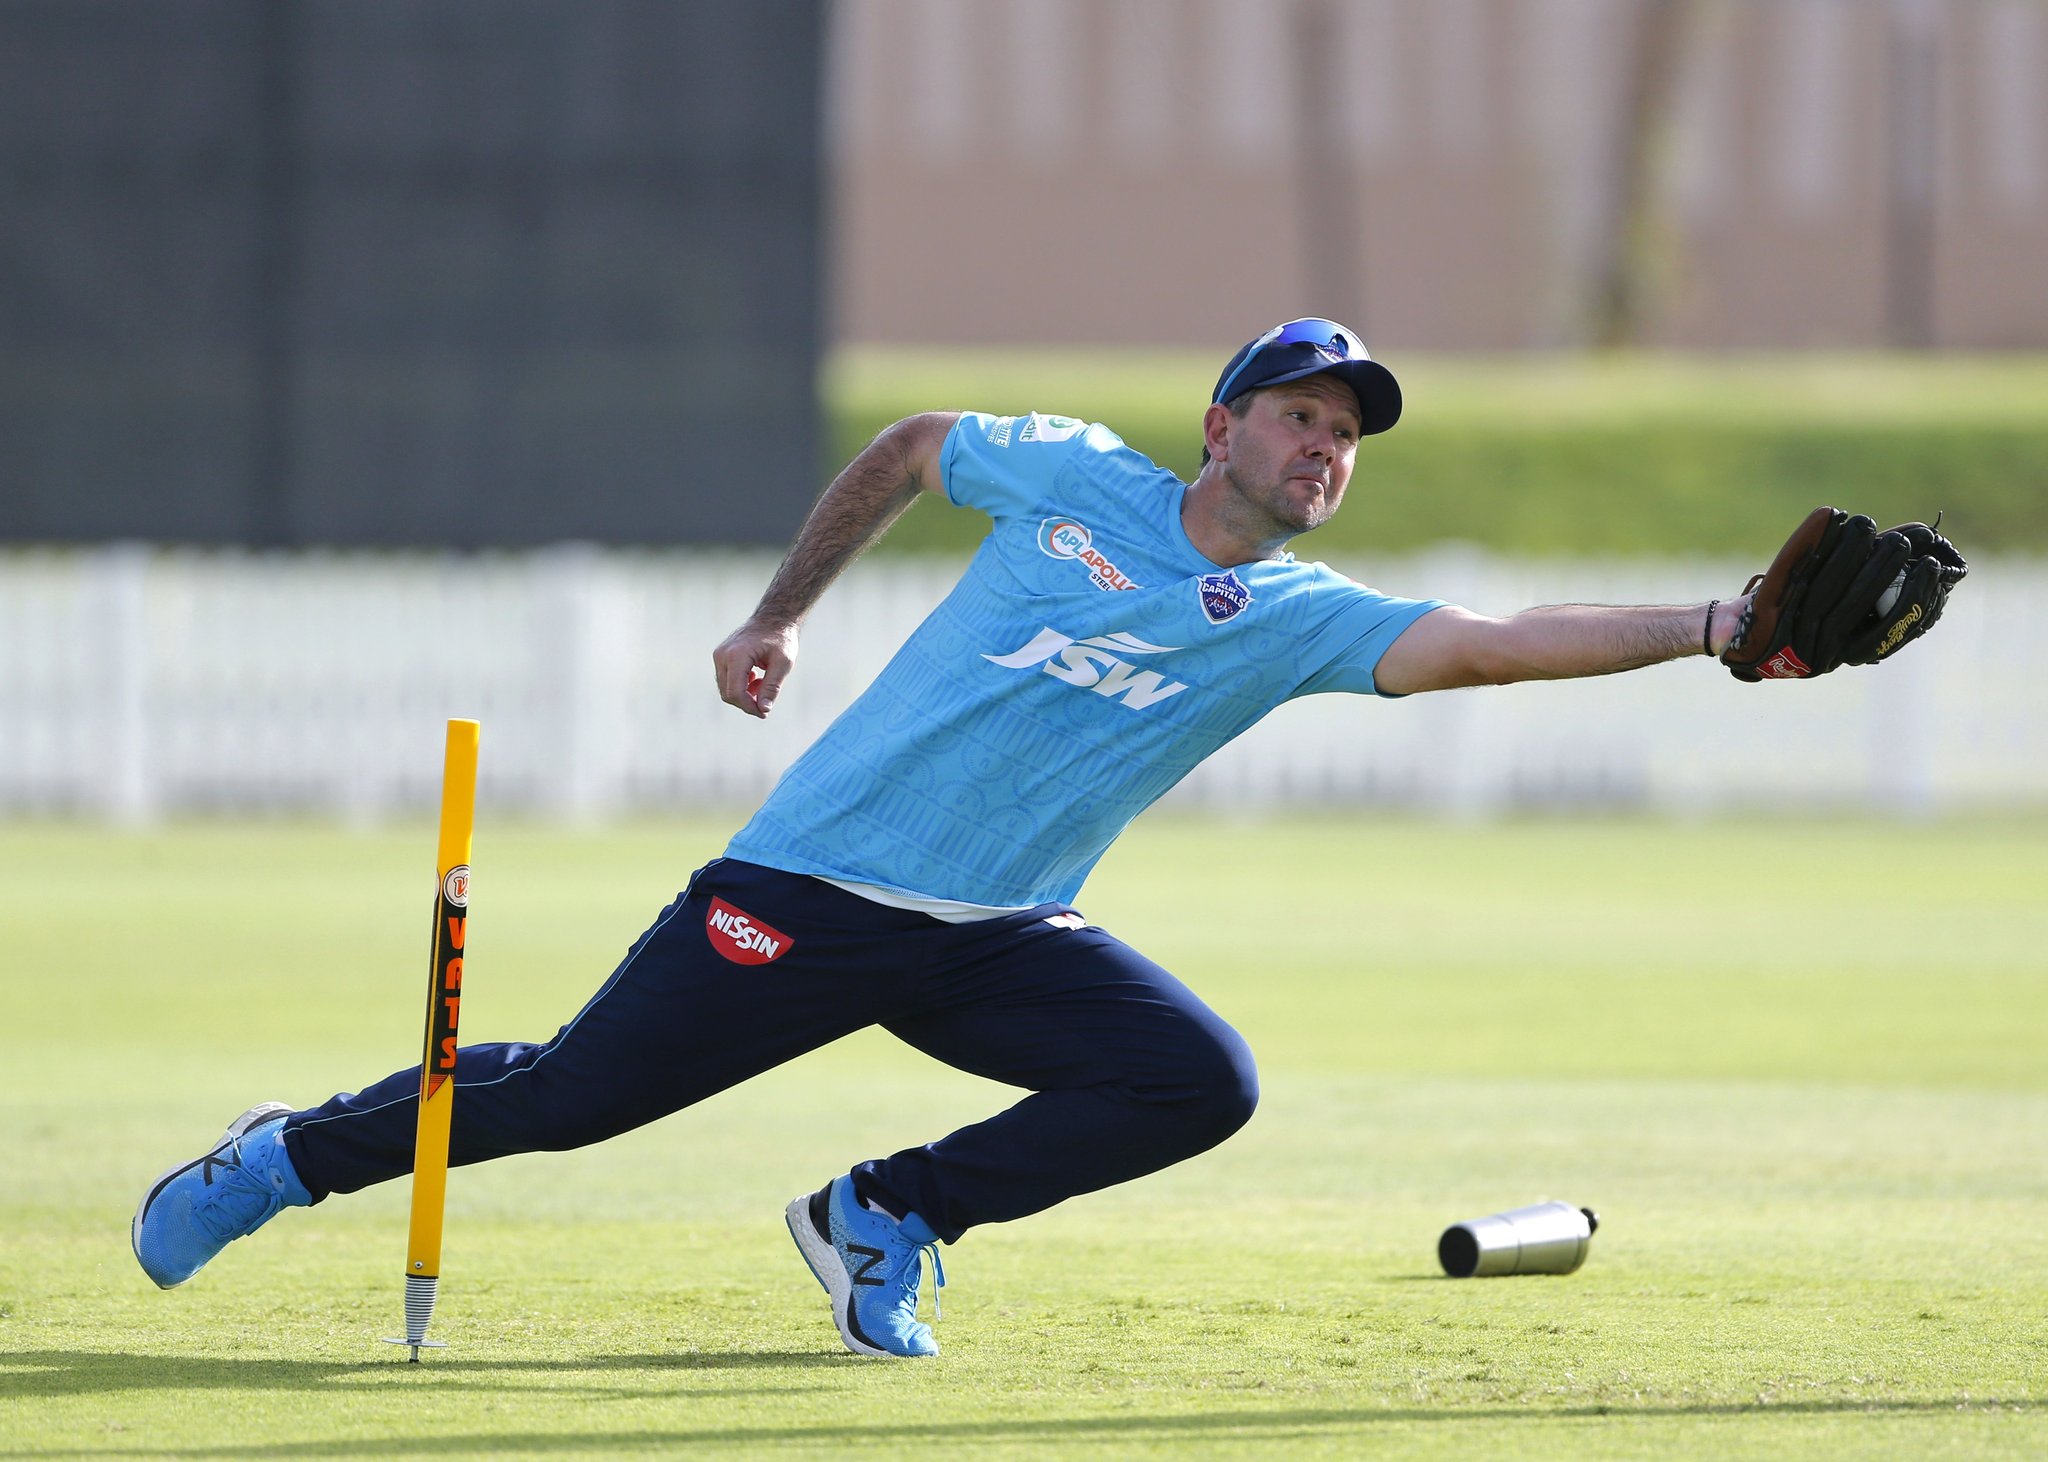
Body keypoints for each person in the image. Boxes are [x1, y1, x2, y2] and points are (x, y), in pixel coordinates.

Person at [133, 319, 1756, 1359]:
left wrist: (1714, 621)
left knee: (1201, 1078)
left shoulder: (1296, 616)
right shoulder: (1076, 475)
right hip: (809, 884)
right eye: (1301, 417)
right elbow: (913, 446)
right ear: (1222, 421)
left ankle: (883, 1215)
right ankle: (278, 1155)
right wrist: (778, 614)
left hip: (997, 933)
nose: (1326, 449)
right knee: (566, 1100)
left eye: (1346, 438)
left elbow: (1491, 639)